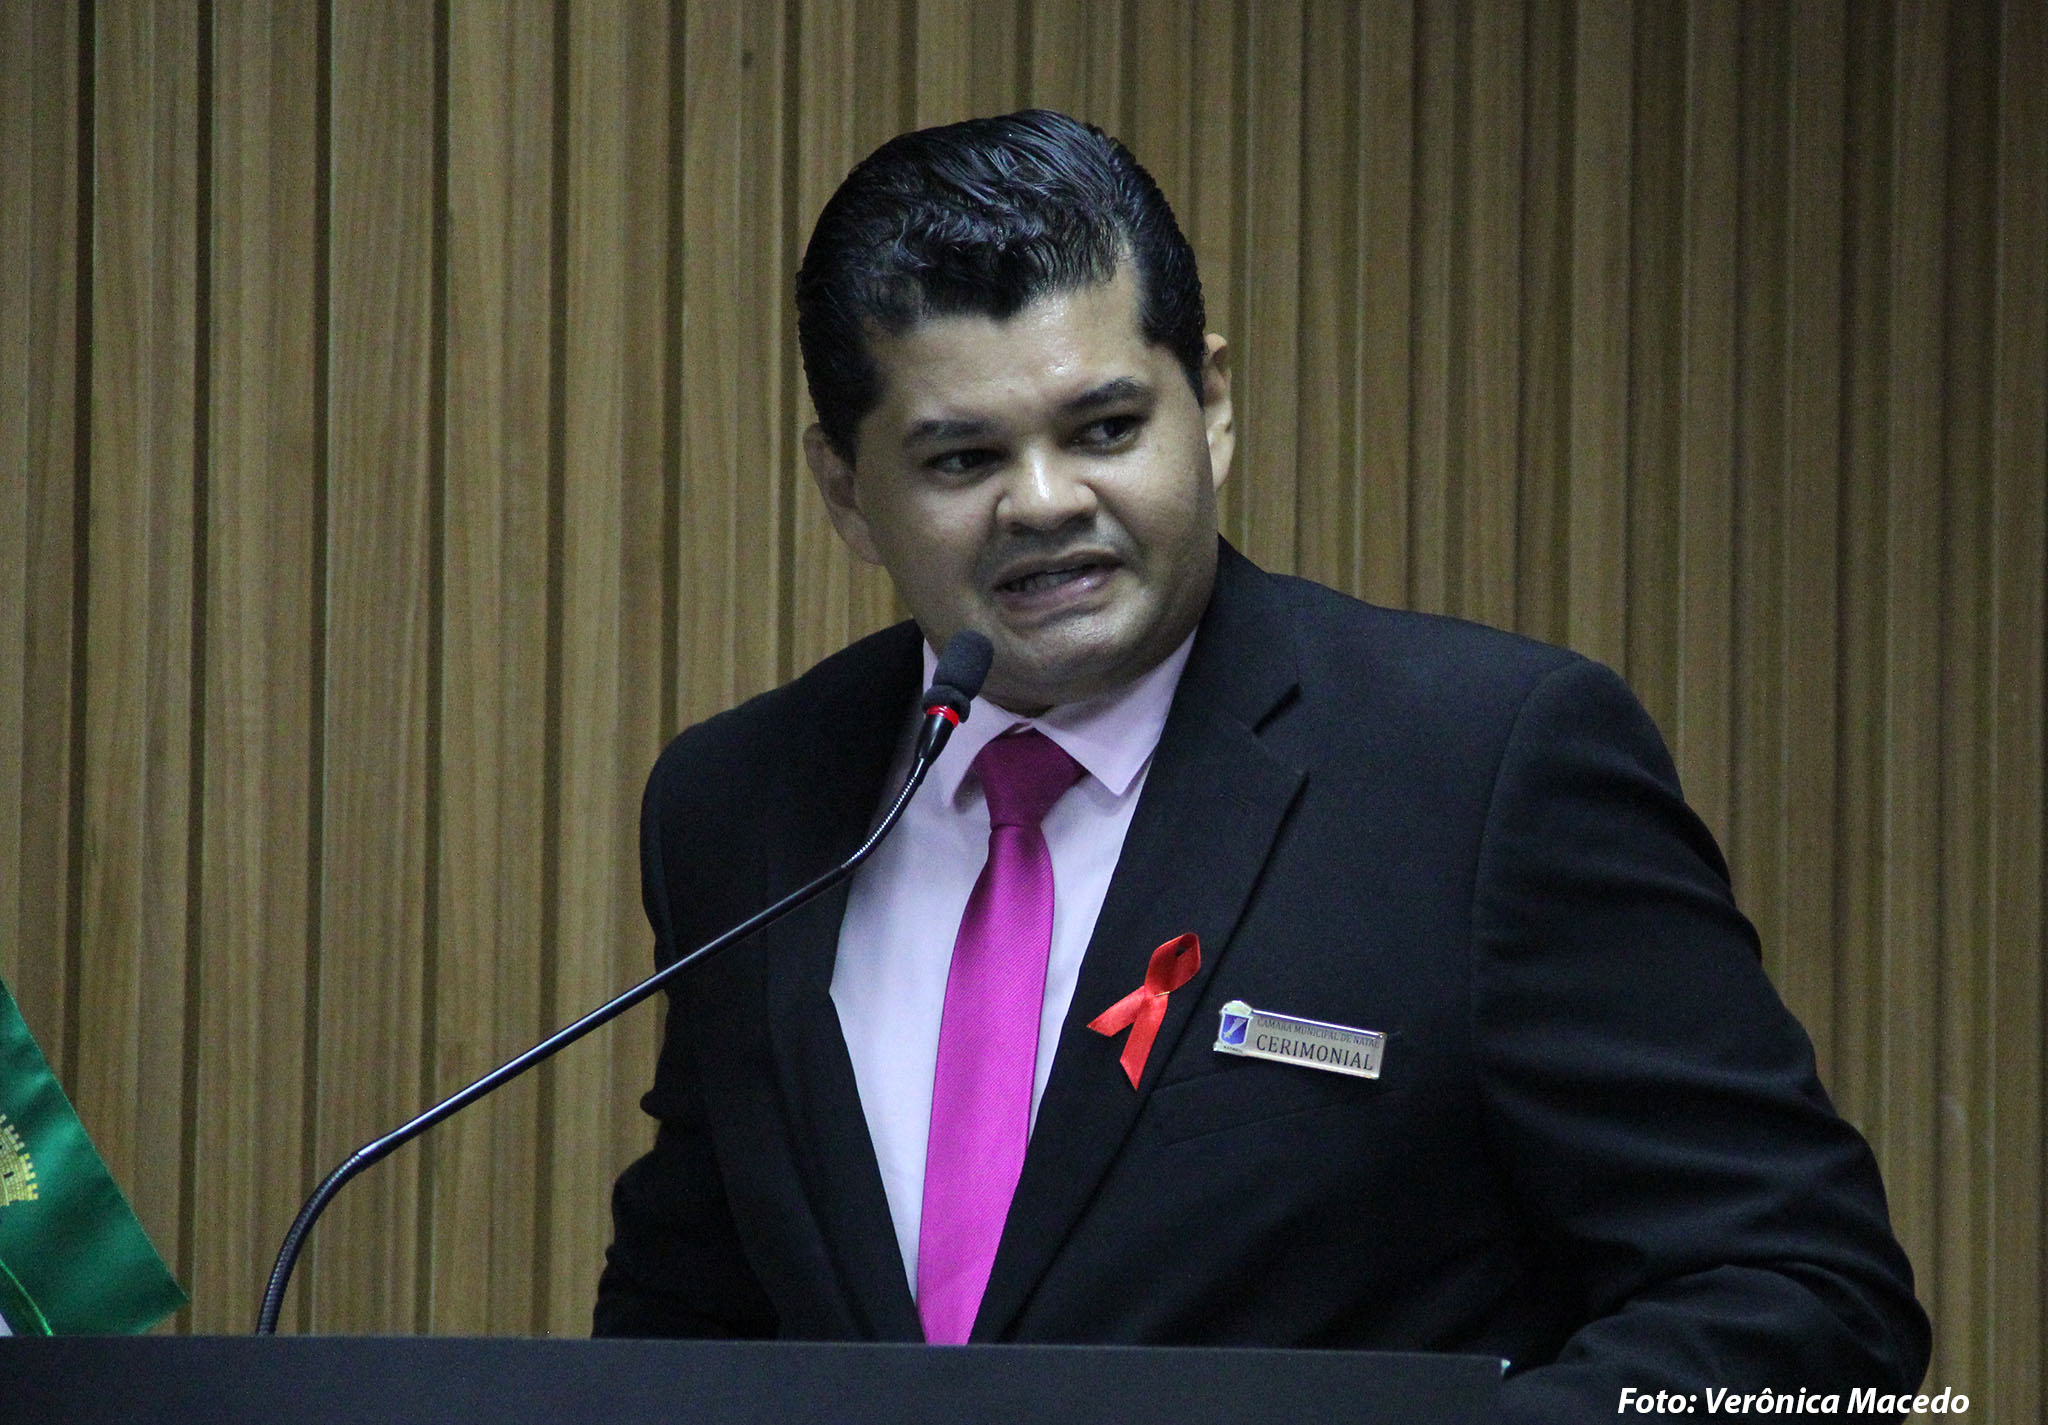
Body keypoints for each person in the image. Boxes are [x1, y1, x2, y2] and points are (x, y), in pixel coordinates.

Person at [594, 110, 1930, 1416]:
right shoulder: (743, 806)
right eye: (963, 457)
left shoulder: (1483, 768)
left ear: (1213, 405)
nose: (1046, 501)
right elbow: (686, 1327)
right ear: (845, 488)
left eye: (1105, 428)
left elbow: (1811, 1298)